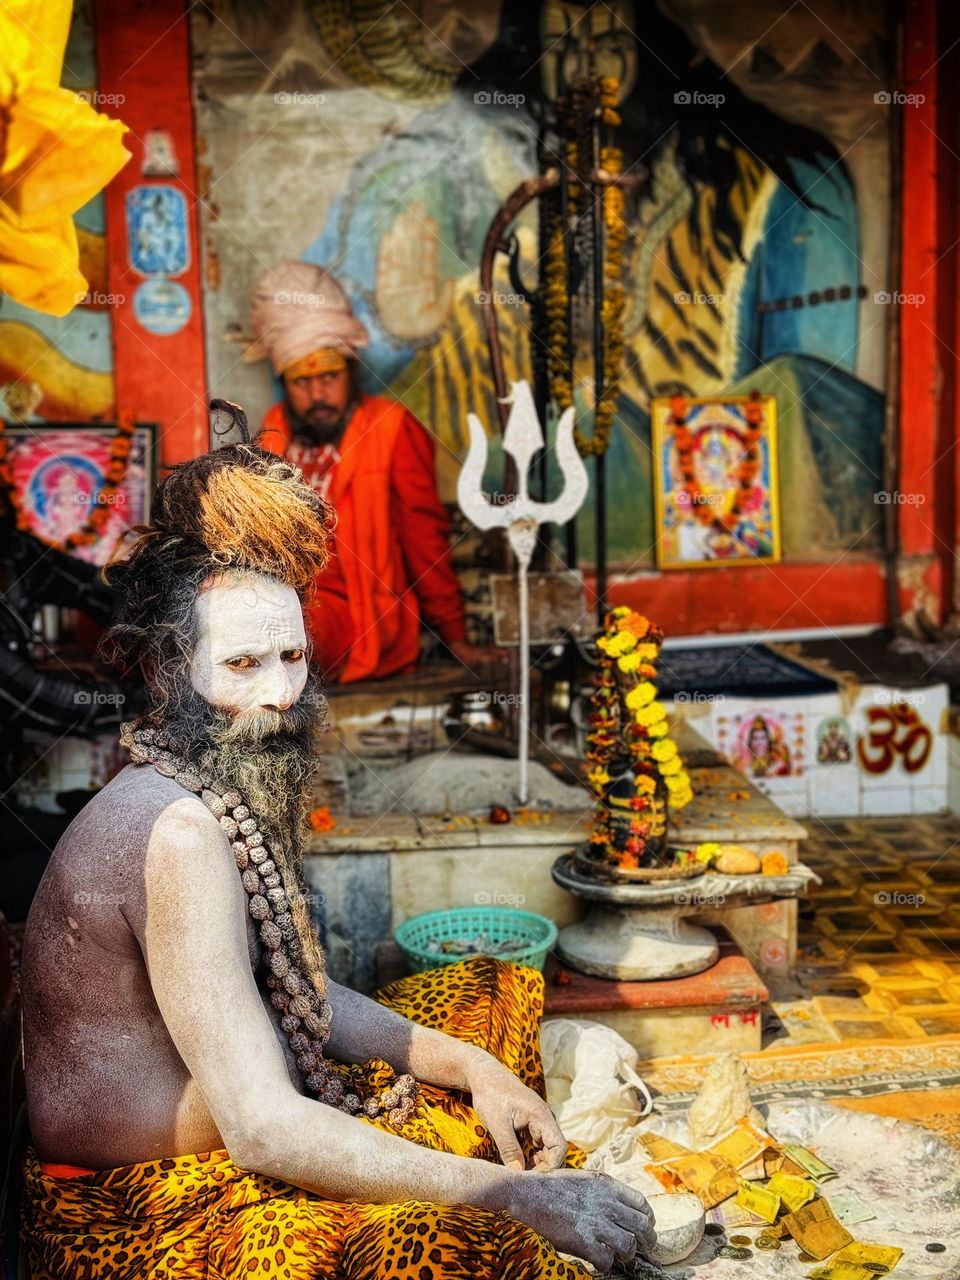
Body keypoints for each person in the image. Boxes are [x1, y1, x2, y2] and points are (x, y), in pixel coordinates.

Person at [18, 434, 654, 1279]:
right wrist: (511, 1200)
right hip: (140, 1195)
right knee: (454, 1250)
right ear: (172, 673)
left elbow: (284, 985)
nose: (279, 693)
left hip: (248, 1114)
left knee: (482, 1002)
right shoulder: (175, 834)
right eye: (241, 664)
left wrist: (470, 1066)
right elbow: (263, 1130)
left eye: (292, 656)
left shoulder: (203, 779)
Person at [247, 260, 497, 683]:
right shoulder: (274, 430)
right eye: (301, 382)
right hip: (279, 597)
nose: (317, 394)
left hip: (359, 614)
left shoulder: (391, 428)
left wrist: (455, 636)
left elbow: (424, 539)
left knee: (275, 636)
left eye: (329, 376)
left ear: (351, 371)